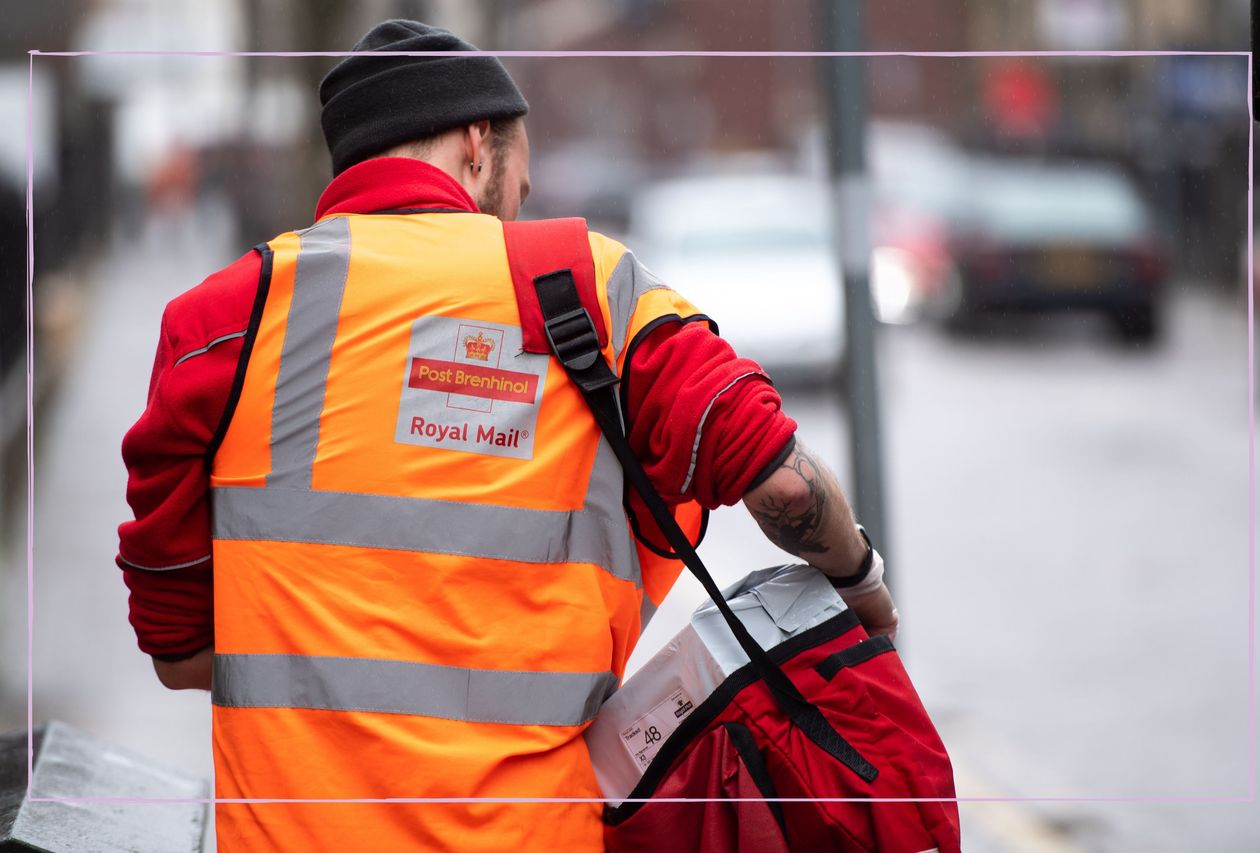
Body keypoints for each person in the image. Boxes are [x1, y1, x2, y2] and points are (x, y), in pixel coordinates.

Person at [117, 19, 898, 852]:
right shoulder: (588, 289)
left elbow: (181, 653)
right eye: (521, 172)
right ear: (476, 146)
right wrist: (862, 583)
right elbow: (782, 483)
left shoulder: (221, 321)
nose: (523, 200)